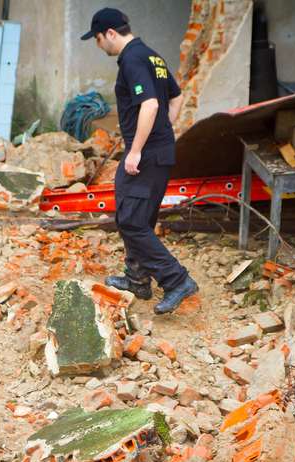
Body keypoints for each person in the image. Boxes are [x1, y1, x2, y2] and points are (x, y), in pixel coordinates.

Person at [81, 7, 198, 314]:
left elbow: (149, 103)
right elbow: (176, 97)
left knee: (131, 221)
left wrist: (136, 150)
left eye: (97, 39)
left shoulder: (132, 59)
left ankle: (177, 280)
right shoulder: (152, 55)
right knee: (139, 215)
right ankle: (137, 278)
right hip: (158, 149)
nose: (98, 46)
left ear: (110, 34)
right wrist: (164, 130)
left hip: (145, 153)